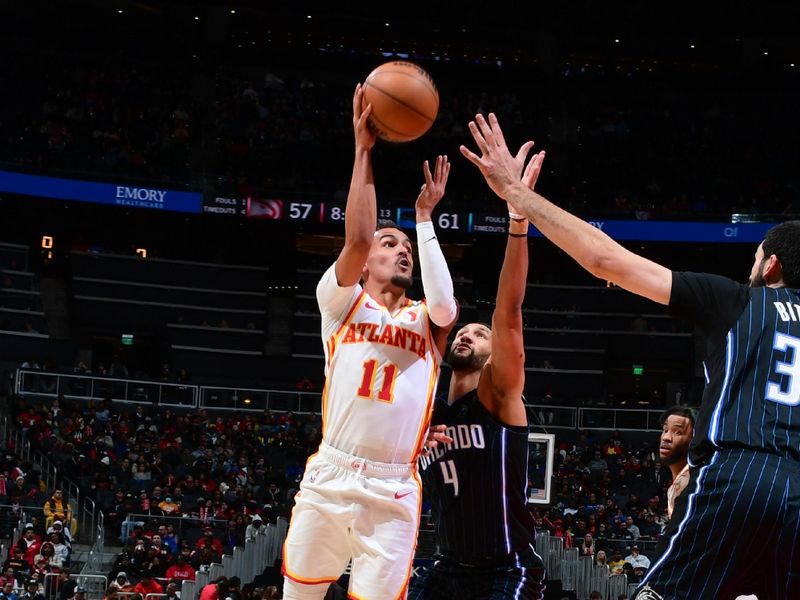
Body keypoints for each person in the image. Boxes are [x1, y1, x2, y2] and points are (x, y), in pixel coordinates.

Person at [461, 111, 800, 599]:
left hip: (741, 477)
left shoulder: (739, 299)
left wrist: (517, 195)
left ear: (770, 266)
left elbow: (606, 260)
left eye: (753, 261)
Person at [281, 84, 458, 600]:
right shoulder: (340, 303)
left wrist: (424, 221)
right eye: (390, 243)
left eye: (406, 248)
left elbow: (447, 304)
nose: (400, 252)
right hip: (331, 472)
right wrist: (363, 150)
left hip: (394, 485)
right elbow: (356, 240)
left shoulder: (430, 320)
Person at [409, 149, 546, 599]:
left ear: (493, 354)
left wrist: (517, 220)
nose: (466, 335)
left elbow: (508, 312)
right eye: (462, 331)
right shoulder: (429, 415)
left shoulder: (498, 395)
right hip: (446, 568)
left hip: (506, 569)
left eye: (479, 334)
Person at [657, 406, 694, 520]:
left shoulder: (686, 483)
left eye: (678, 432)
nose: (666, 437)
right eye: (665, 430)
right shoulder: (680, 481)